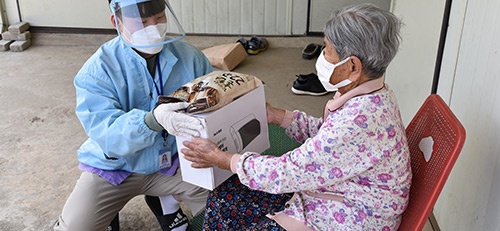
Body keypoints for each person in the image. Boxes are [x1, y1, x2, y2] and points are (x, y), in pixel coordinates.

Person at [181, 3, 412, 230]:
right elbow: (328, 137)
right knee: (227, 195)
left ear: (352, 66)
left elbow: (288, 171)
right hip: (338, 191)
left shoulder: (360, 118)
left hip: (351, 215)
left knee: (239, 199)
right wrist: (279, 116)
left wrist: (222, 158)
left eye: (327, 49)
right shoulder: (374, 93)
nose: (322, 56)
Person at [54, 0, 213, 230]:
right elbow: (108, 137)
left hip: (173, 163)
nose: (153, 28)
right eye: (142, 22)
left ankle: (165, 201)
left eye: (159, 18)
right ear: (116, 22)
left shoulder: (191, 57)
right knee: (75, 227)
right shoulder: (97, 71)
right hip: (116, 168)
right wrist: (152, 121)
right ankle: (109, 213)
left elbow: (211, 102)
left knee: (225, 211)